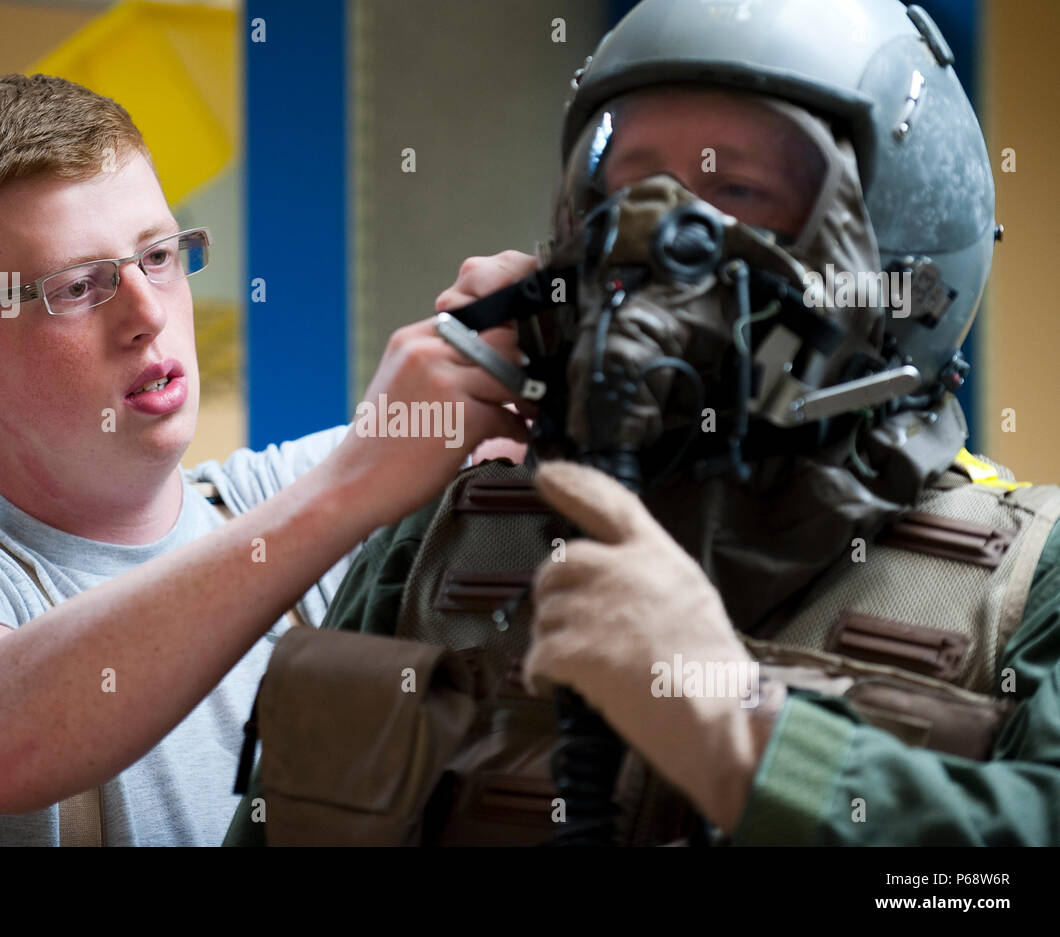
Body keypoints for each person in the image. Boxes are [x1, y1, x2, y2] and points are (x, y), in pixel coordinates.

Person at [247, 0, 1060, 846]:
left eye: (739, 190)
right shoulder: (440, 547)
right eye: (628, 191)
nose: (657, 235)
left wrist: (746, 734)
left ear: (900, 261)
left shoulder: (1028, 583)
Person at [0, 73, 527, 845]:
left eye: (159, 255)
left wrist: (548, 320)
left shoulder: (274, 496)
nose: (147, 314)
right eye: (78, 287)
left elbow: (518, 431)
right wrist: (358, 485)